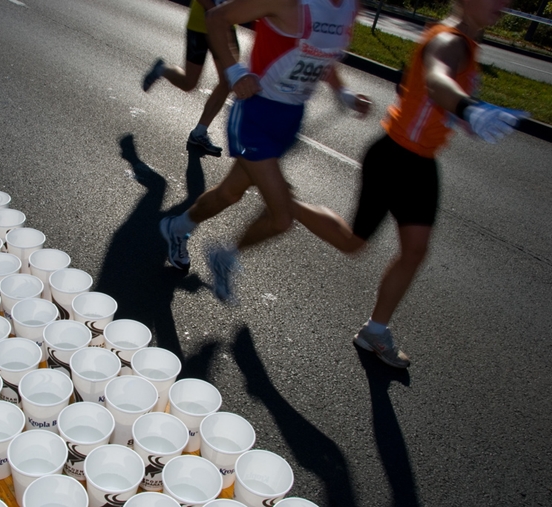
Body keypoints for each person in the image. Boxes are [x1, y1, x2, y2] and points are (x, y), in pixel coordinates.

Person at [288, 0, 527, 368]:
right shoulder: (450, 41)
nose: (504, 4)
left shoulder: (467, 43)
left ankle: (375, 331)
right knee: (354, 243)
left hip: (422, 162)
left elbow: (429, 92)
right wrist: (468, 109)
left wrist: (465, 114)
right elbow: (436, 79)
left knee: (415, 250)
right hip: (395, 157)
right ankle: (285, 203)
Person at [159, 0, 370, 295]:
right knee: (282, 218)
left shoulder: (350, 6)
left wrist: (344, 93)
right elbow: (217, 18)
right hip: (254, 116)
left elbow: (323, 54)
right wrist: (234, 71)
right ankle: (224, 256)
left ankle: (177, 228)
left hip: (290, 119)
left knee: (229, 193)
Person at [142, 0, 240, 156]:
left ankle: (199, 132)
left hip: (225, 26)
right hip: (200, 24)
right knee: (189, 83)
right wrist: (216, 12)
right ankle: (163, 70)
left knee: (227, 81)